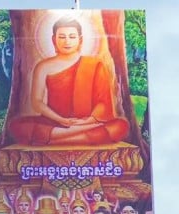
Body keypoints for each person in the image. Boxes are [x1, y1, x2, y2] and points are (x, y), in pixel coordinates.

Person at [8, 16, 129, 146]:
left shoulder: (94, 64)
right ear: (54, 40)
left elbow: (103, 103)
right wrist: (60, 119)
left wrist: (87, 121)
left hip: (87, 122)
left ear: (80, 40)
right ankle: (81, 135)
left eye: (72, 37)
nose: (67, 41)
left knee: (121, 126)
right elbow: (37, 102)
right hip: (54, 121)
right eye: (62, 37)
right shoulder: (43, 66)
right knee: (17, 126)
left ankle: (54, 138)